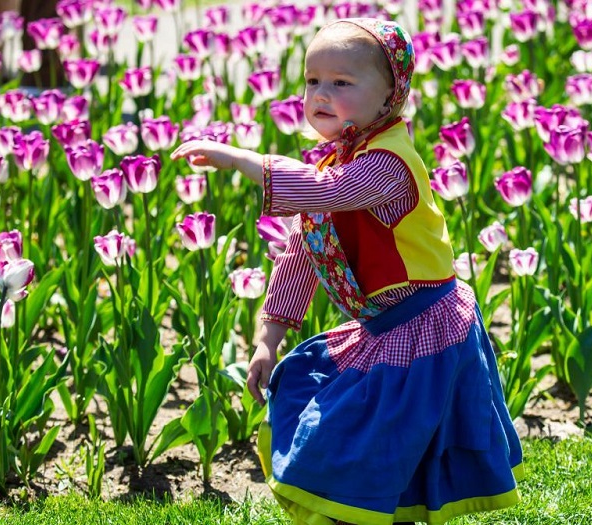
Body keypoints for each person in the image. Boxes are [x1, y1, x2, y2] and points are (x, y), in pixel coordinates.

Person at [171, 17, 523, 525]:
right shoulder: (337, 160)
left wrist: (246, 160)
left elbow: (332, 194)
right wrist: (268, 336)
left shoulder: (387, 163)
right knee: (337, 411)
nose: (320, 93)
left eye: (341, 82)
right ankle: (354, 509)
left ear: (389, 97)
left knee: (385, 438)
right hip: (383, 326)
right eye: (313, 80)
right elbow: (301, 251)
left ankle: (357, 511)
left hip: (424, 326)